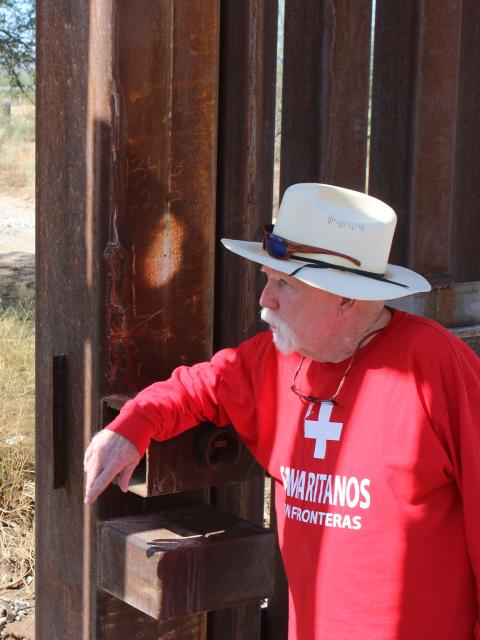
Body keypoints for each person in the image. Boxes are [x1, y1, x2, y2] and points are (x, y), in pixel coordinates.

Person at [83, 183, 480, 640]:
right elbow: (199, 386)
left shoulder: (437, 368)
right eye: (268, 279)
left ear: (346, 299)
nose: (264, 300)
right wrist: (132, 426)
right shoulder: (275, 360)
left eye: (284, 285)